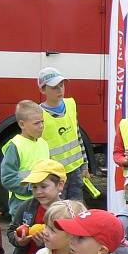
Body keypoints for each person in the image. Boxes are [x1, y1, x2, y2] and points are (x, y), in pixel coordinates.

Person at [38, 67, 91, 201]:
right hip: (55, 174)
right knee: (58, 210)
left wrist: (85, 165)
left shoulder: (70, 104)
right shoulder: (39, 114)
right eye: (54, 87)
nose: (60, 90)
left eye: (61, 85)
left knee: (76, 206)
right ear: (43, 90)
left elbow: (78, 137)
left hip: (76, 170)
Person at [1, 100, 50, 217]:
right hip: (22, 204)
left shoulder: (43, 143)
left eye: (42, 121)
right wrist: (32, 188)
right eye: (36, 123)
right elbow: (7, 178)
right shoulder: (15, 146)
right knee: (22, 234)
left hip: (42, 202)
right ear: (22, 124)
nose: (41, 126)